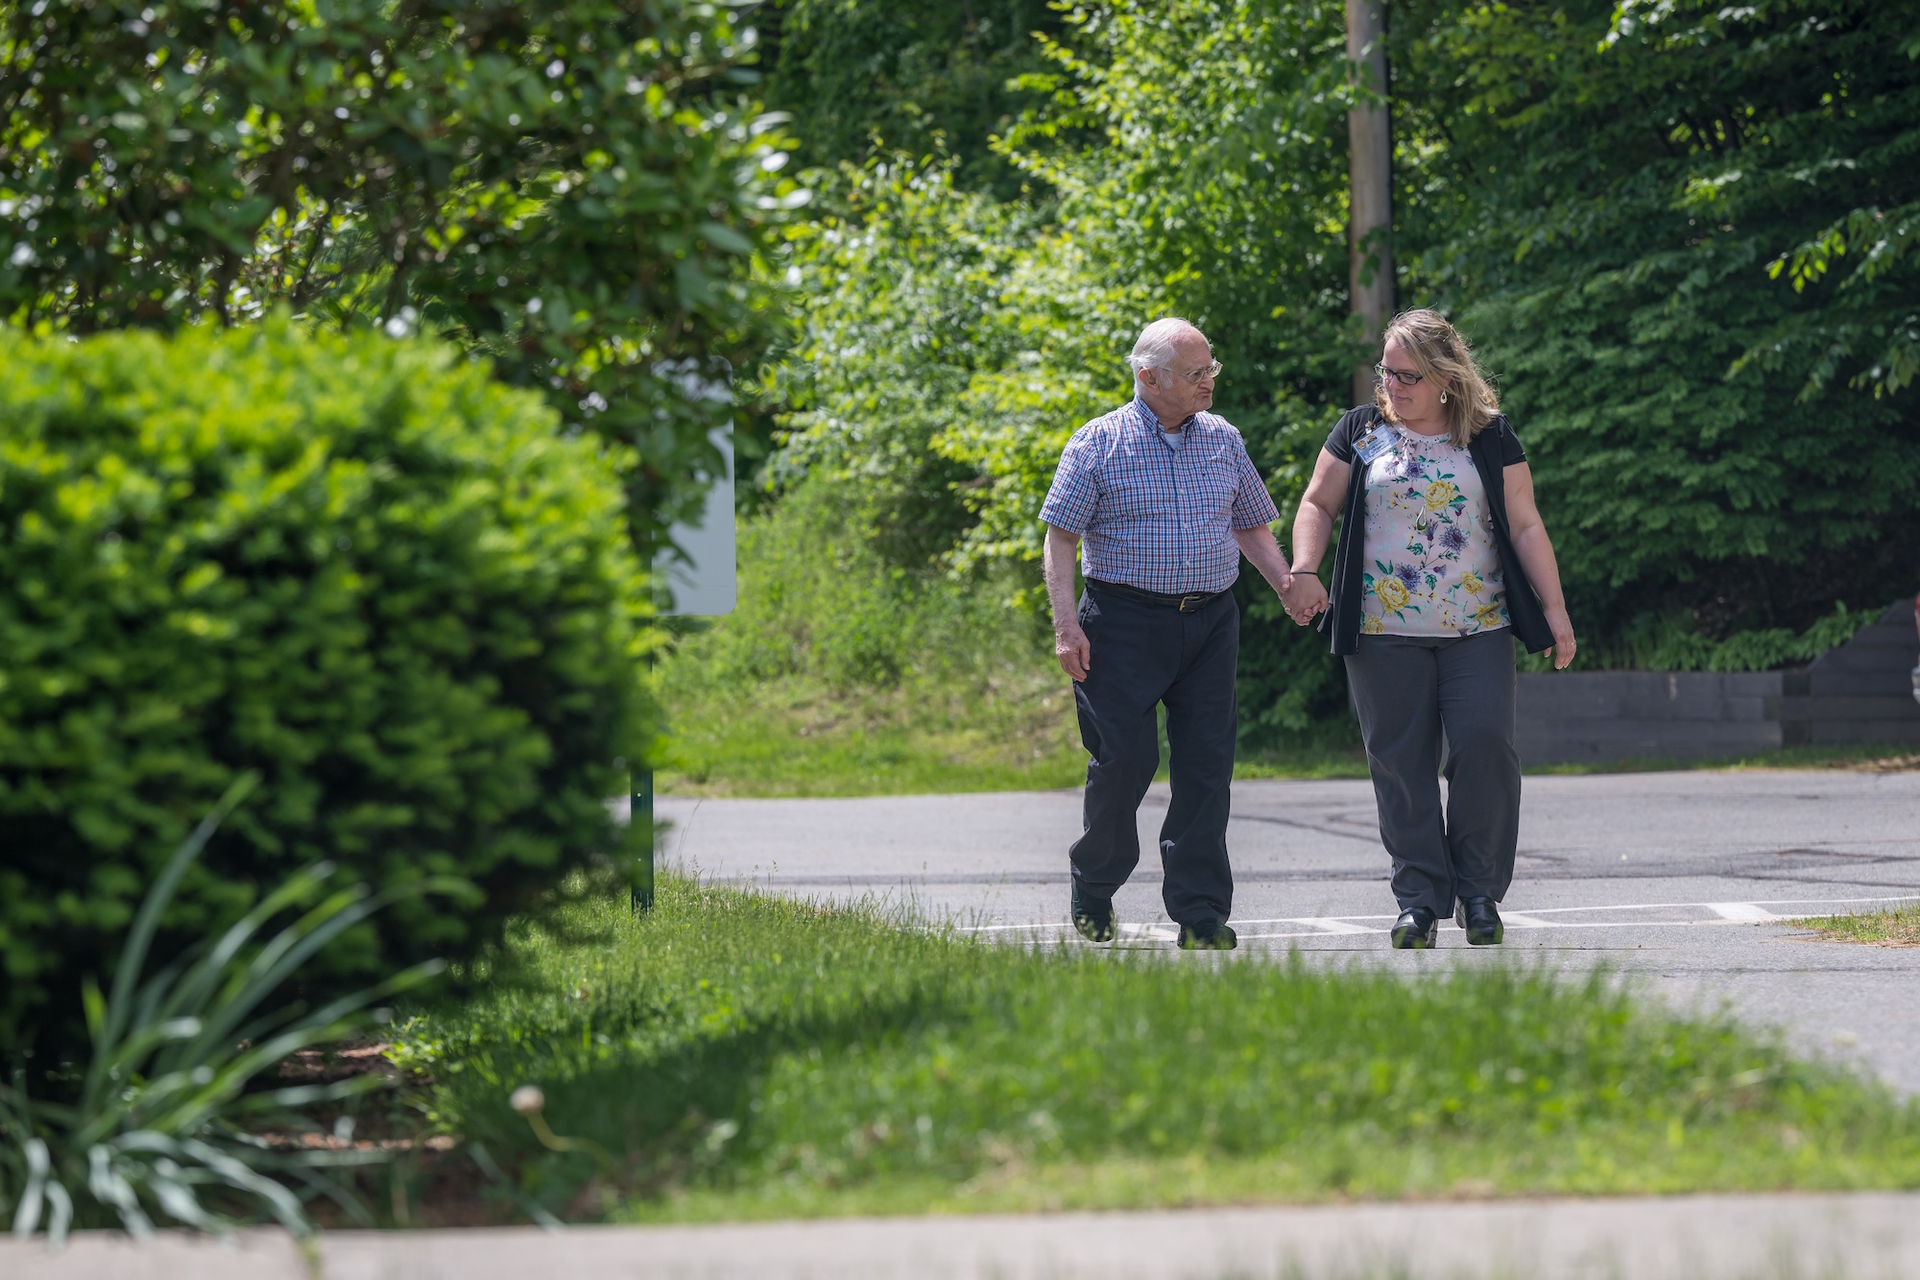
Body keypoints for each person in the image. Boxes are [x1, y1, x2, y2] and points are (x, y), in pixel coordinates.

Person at [1280, 308, 1576, 949]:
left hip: (1479, 626)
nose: (1393, 387)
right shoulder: (1361, 431)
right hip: (1383, 632)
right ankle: (1417, 900)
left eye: (1408, 375)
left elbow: (1525, 524)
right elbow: (1317, 503)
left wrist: (1555, 612)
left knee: (1484, 746)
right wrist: (1304, 568)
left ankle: (1478, 894)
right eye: (1386, 372)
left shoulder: (1489, 436)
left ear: (1445, 377)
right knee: (1399, 763)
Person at [1041, 317, 1295, 950]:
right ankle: (1094, 887)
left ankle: (1201, 912)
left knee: (1207, 767)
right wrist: (1066, 627)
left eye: (1211, 370)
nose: (1208, 382)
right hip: (1122, 623)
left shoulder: (1223, 440)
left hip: (1210, 621)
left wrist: (1287, 585)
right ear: (1147, 376)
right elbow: (1061, 539)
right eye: (1195, 373)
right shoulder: (1097, 443)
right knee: (1125, 761)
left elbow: (1251, 525)